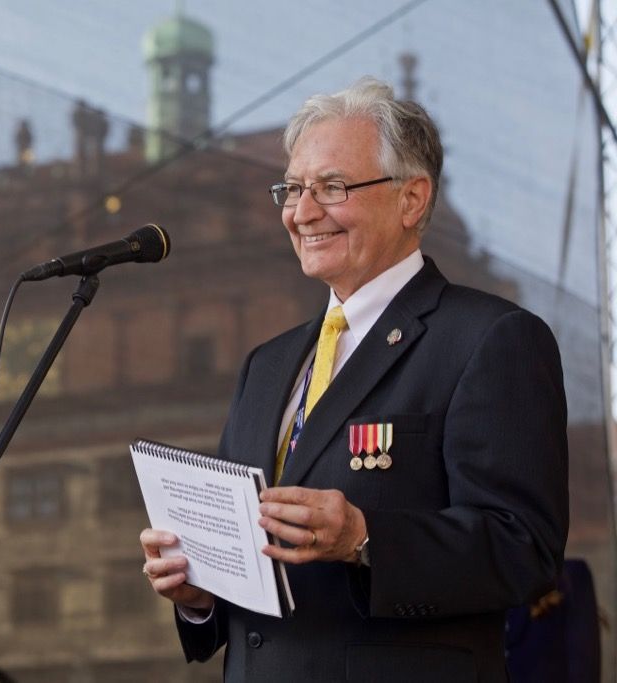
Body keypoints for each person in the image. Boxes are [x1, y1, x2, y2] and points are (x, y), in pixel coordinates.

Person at [139, 78, 568, 682]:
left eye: (332, 187)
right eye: (292, 189)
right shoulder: (267, 364)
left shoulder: (490, 338)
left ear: (411, 199)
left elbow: (524, 549)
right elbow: (256, 573)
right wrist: (201, 595)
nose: (302, 212)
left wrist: (367, 538)